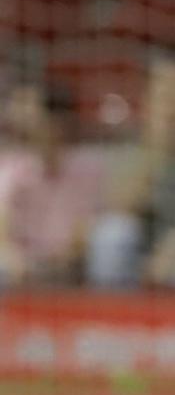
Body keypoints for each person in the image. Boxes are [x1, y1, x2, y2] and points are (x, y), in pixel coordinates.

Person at [0, 83, 105, 285]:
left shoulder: (88, 166)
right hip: (23, 263)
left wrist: (62, 258)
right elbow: (2, 225)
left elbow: (86, 228)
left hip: (74, 261)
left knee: (111, 237)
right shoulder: (12, 166)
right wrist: (14, 258)